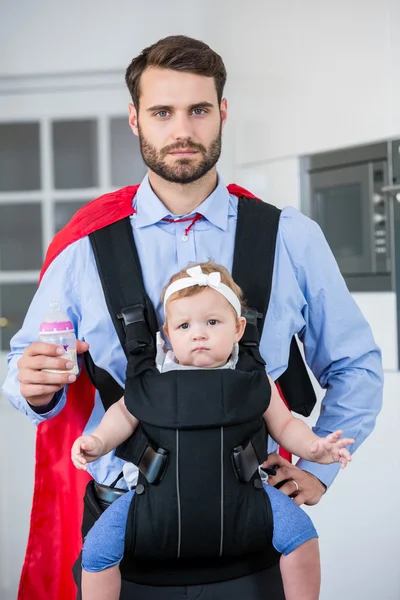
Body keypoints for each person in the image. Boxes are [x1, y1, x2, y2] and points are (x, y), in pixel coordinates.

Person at [2, 34, 383, 600]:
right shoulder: (85, 251)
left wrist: (320, 467)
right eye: (162, 112)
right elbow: (25, 371)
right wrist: (33, 388)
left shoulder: (290, 238)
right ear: (135, 119)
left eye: (199, 110)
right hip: (122, 544)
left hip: (253, 541)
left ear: (222, 113)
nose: (182, 130)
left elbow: (357, 366)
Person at [71, 261, 354, 600]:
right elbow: (121, 416)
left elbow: (286, 426)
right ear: (168, 334)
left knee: (302, 537)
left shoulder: (253, 380)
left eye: (212, 322)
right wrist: (97, 442)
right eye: (184, 325)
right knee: (97, 551)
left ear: (238, 329)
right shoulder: (150, 382)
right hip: (153, 503)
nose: (198, 333)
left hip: (247, 498)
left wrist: (315, 449)